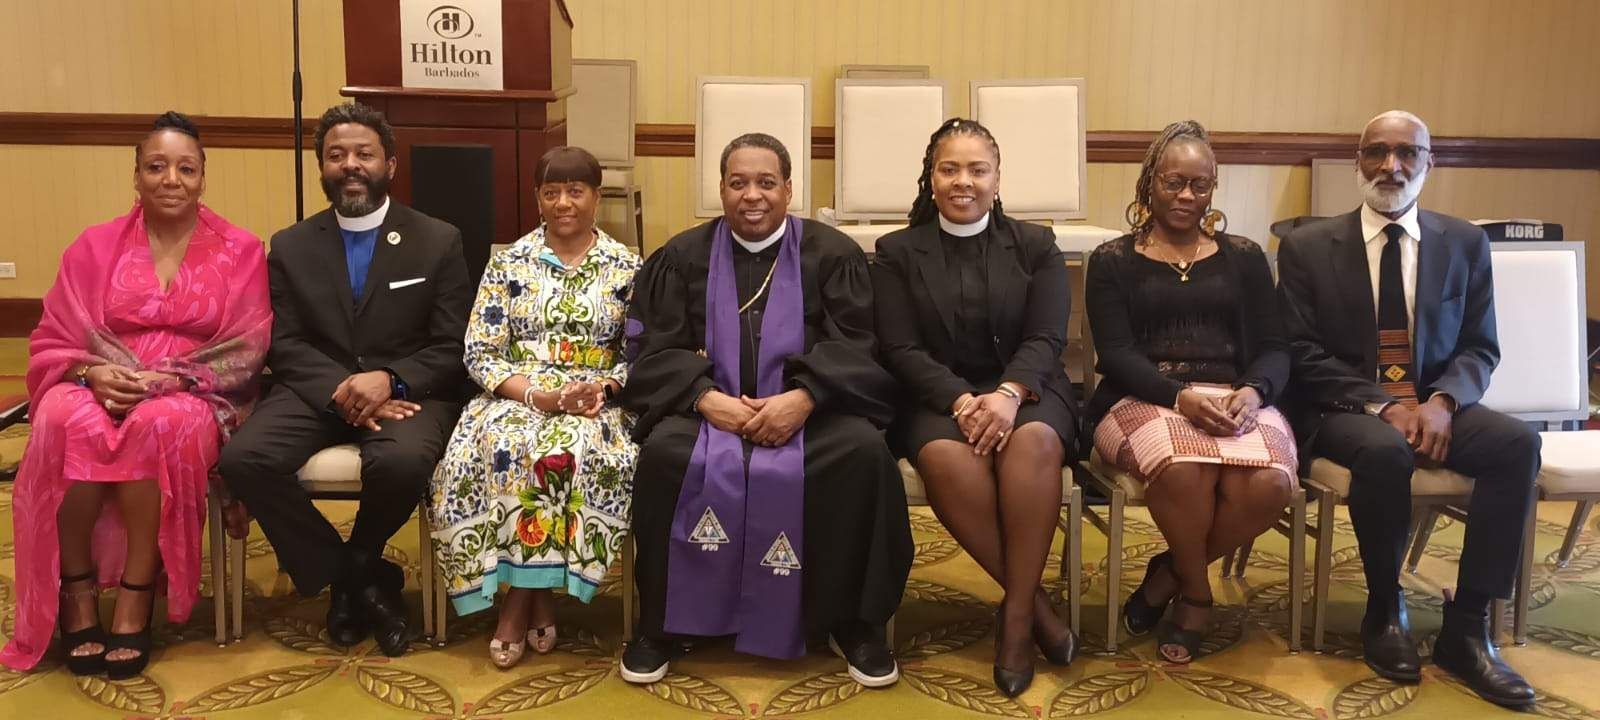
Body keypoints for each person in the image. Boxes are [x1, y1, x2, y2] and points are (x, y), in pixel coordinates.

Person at [618, 133, 912, 687]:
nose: (752, 195)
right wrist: (707, 399)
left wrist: (805, 397)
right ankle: (663, 624)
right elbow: (652, 352)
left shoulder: (834, 256)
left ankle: (854, 624)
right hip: (707, 411)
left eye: (766, 183)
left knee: (862, 455)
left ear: (789, 189)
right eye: (738, 183)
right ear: (721, 189)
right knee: (664, 457)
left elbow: (860, 346)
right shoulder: (682, 257)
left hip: (812, 412)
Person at [1277, 110, 1537, 708]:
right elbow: (1299, 351)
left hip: (1437, 403)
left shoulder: (1464, 243)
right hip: (1343, 406)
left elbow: (1480, 346)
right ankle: (1384, 607)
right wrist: (1383, 405)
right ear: (1358, 161)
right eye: (1376, 152)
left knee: (1518, 444)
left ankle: (1467, 627)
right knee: (1385, 450)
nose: (1390, 166)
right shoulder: (1307, 246)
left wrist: (1443, 401)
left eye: (1406, 153)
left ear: (1428, 162)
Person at [1, 113, 272, 677]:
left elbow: (249, 343)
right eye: (156, 166)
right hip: (100, 378)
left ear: (202, 178)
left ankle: (137, 590)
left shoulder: (240, 249)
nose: (171, 179)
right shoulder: (94, 246)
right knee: (63, 420)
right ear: (136, 175)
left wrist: (171, 379)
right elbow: (56, 333)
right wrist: (89, 373)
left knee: (158, 426)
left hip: (195, 390)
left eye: (186, 168)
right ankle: (75, 588)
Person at [218, 102, 473, 658]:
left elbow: (452, 345)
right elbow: (284, 341)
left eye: (364, 154)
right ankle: (360, 579)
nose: (351, 165)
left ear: (390, 164)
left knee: (402, 461)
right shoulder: (290, 245)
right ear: (322, 167)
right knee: (244, 459)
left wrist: (390, 380)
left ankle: (352, 569)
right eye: (337, 155)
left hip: (408, 393)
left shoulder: (437, 239)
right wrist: (341, 388)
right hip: (316, 390)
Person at [872, 118, 1079, 696]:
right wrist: (962, 400)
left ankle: (1015, 622)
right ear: (931, 177)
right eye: (950, 169)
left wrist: (1009, 394)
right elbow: (899, 348)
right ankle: (1035, 608)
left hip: (1029, 390)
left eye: (977, 169)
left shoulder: (1035, 246)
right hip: (936, 396)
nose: (963, 181)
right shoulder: (896, 252)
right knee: (946, 458)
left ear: (997, 178)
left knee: (1033, 444)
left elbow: (1047, 337)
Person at [1084, 120, 1296, 665]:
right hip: (1142, 395)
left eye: (1199, 185)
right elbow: (1116, 354)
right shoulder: (1112, 260)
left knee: (1270, 483)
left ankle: (1169, 572)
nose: (1185, 195)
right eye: (1173, 182)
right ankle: (1196, 596)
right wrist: (1180, 396)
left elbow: (1275, 347)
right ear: (1150, 181)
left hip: (1236, 395)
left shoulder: (1245, 256)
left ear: (1213, 188)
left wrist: (1254, 392)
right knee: (1183, 471)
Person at [428, 146, 641, 669]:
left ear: (596, 197)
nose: (563, 203)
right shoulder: (508, 262)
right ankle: (533, 593)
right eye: (551, 192)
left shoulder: (627, 266)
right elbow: (479, 350)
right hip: (515, 392)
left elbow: (640, 352)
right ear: (537, 199)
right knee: (505, 443)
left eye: (576, 191)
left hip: (593, 400)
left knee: (566, 449)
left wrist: (603, 388)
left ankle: (519, 600)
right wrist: (536, 396)